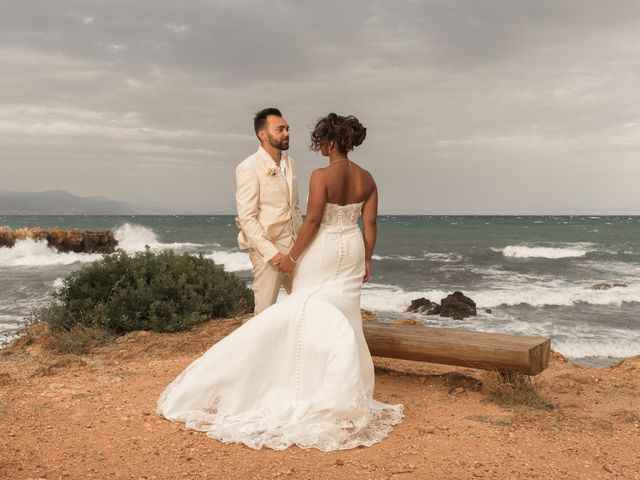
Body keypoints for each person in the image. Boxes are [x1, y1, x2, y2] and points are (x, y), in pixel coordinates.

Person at [157, 113, 403, 451]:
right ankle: (331, 384)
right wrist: (368, 257)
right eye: (281, 128)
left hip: (324, 248)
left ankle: (292, 383)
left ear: (330, 142)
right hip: (353, 248)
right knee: (344, 314)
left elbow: (313, 219)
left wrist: (292, 257)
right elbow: (371, 222)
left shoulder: (320, 174)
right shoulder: (368, 178)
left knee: (303, 309)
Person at [235, 108, 303, 315]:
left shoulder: (290, 163)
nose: (286, 133)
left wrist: (300, 245)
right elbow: (247, 218)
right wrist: (274, 255)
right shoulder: (248, 167)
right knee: (264, 312)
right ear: (262, 134)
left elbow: (295, 208)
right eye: (280, 129)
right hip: (268, 252)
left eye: (287, 129)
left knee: (305, 304)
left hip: (295, 250)